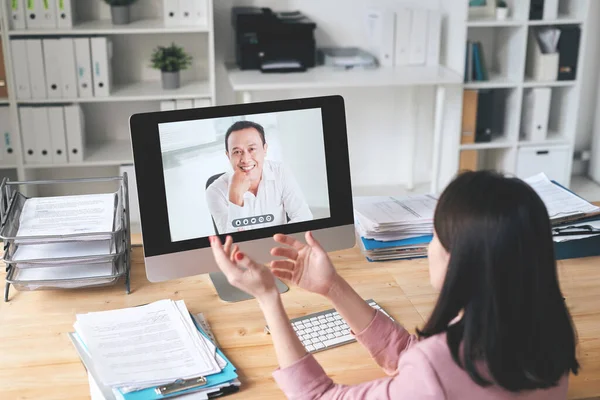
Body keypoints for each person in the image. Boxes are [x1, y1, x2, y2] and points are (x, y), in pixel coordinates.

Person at [208, 170, 579, 399]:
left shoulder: (440, 369)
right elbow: (412, 358)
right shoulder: (545, 329)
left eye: (434, 237)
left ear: (461, 261)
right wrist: (332, 287)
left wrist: (268, 297)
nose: (429, 248)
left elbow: (318, 397)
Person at [206, 120, 313, 234]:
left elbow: (304, 217)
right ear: (228, 156)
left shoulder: (280, 172)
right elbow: (230, 243)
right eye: (237, 152)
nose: (245, 159)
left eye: (252, 149)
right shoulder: (215, 191)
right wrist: (235, 198)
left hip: (281, 246)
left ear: (265, 149)